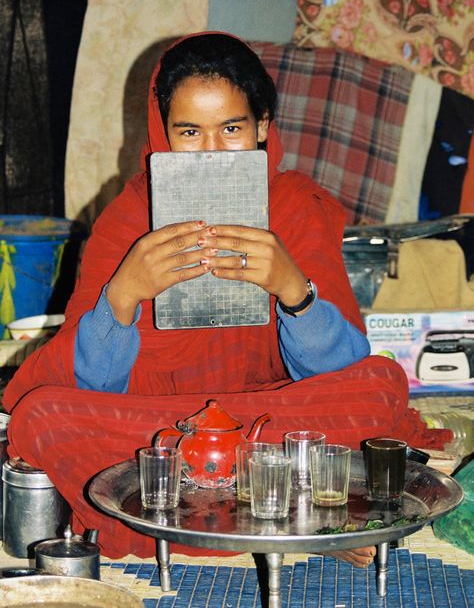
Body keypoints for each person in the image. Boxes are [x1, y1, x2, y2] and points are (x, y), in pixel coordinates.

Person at [3, 33, 450, 565]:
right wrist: (123, 295)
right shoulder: (127, 219)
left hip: (267, 415)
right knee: (43, 417)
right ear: (162, 132)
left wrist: (292, 292)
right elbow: (91, 383)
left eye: (231, 129)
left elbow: (341, 370)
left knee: (381, 385)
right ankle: (290, 516)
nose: (212, 151)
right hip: (161, 422)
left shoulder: (295, 205)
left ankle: (193, 518)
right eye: (189, 132)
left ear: (263, 126)